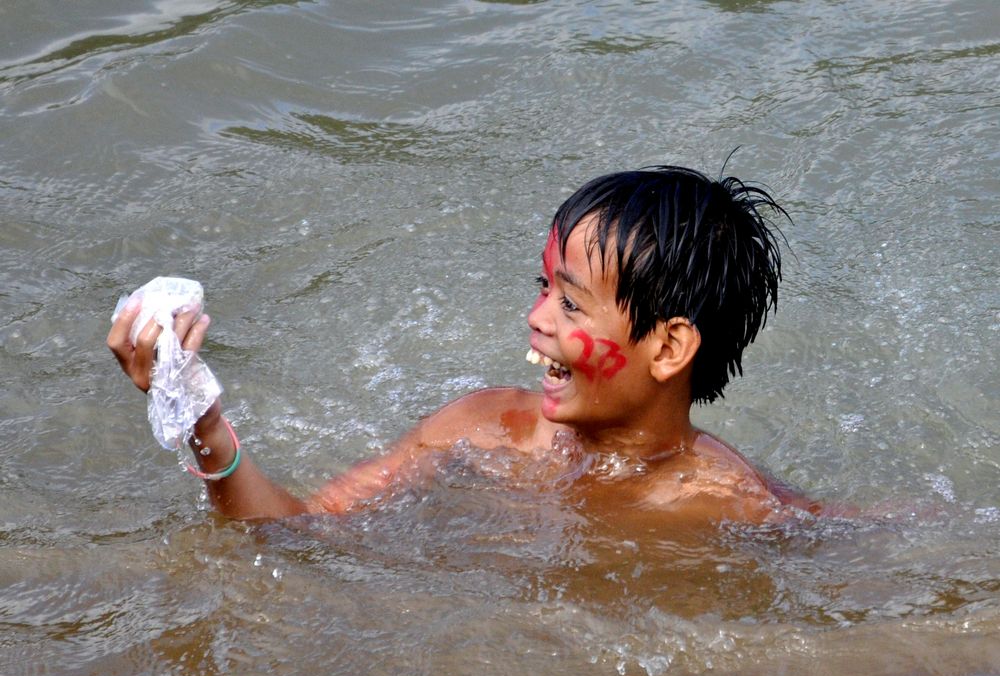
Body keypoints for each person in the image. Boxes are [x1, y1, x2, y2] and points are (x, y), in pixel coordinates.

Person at [108, 164, 817, 524]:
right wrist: (199, 417)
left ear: (669, 349)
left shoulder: (729, 505)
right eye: (542, 286)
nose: (537, 316)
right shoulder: (481, 427)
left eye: (570, 300)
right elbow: (298, 537)